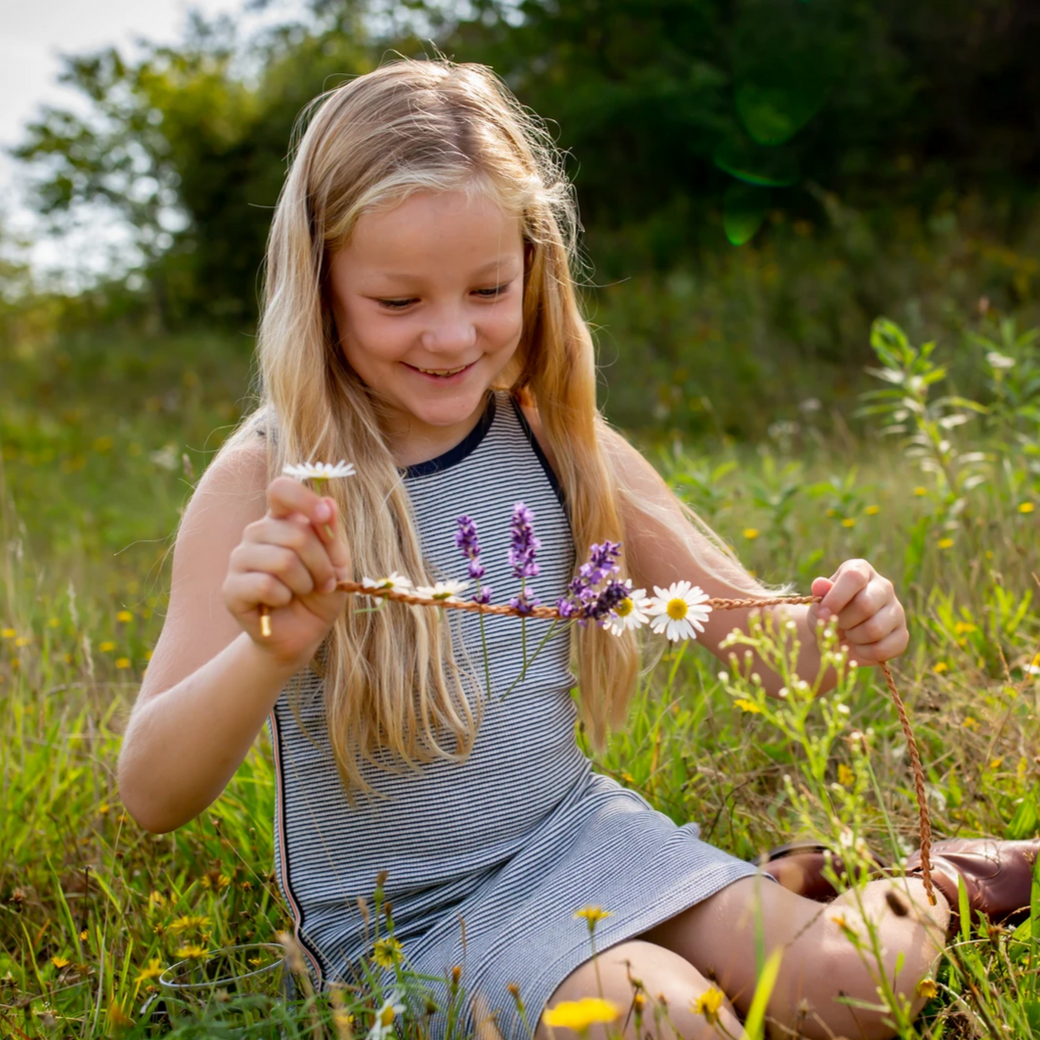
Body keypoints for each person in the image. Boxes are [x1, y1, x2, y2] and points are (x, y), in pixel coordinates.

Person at [117, 57, 1037, 1040]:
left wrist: (848, 619)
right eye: (397, 300)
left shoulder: (557, 439)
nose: (449, 333)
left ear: (532, 265)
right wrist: (270, 648)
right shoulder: (269, 479)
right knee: (659, 1017)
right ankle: (746, 925)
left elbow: (768, 650)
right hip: (412, 928)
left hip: (582, 839)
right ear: (322, 284)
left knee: (863, 982)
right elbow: (152, 792)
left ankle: (932, 881)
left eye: (486, 287)